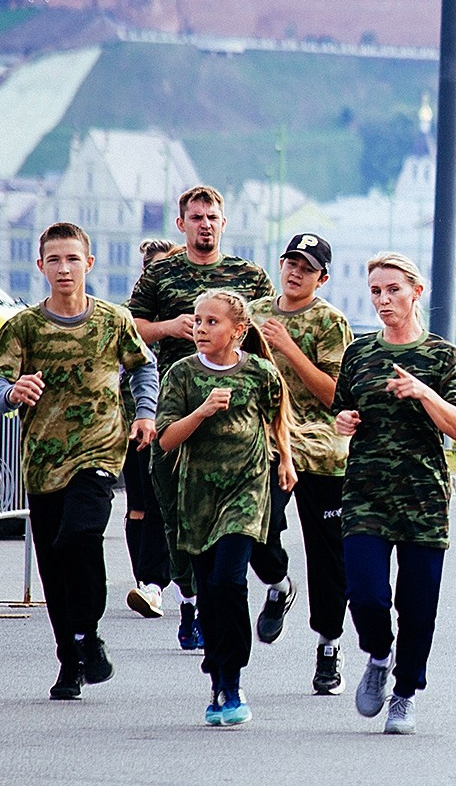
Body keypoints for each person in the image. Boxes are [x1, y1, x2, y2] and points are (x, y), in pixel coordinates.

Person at [0, 222, 157, 701]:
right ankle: (74, 654)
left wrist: (144, 413)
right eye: (54, 260)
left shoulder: (113, 321)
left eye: (73, 259)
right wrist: (12, 392)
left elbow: (144, 367)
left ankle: (86, 630)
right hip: (42, 462)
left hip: (99, 451)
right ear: (40, 267)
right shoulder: (23, 327)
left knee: (81, 533)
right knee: (56, 562)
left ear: (89, 264)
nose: (64, 268)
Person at [332, 253, 456, 736]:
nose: (383, 299)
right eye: (376, 291)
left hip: (423, 498)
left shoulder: (441, 357)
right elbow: (343, 411)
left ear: (416, 292)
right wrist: (344, 421)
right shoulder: (359, 353)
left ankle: (404, 693)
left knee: (418, 608)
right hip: (366, 495)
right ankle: (377, 654)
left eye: (393, 289)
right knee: (366, 595)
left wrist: (423, 392)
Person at [128, 186, 274, 651]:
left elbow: (269, 331)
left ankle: (220, 601)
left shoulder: (247, 276)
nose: (204, 224)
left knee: (229, 524)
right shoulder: (163, 273)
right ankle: (185, 598)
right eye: (196, 217)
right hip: (174, 400)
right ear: (181, 224)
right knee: (173, 513)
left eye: (212, 216)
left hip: (237, 410)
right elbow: (129, 330)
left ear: (224, 222)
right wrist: (170, 327)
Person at [156, 291, 295, 727]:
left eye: (212, 322)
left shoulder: (260, 374)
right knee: (210, 591)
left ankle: (232, 681)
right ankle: (217, 676)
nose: (200, 328)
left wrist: (286, 459)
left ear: (238, 331)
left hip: (246, 492)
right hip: (197, 497)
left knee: (230, 581)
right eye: (197, 320)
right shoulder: (182, 374)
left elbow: (277, 419)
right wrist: (201, 411)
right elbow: (165, 440)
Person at [249, 232, 353, 694]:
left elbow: (336, 394)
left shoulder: (330, 322)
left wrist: (290, 347)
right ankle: (278, 583)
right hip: (268, 443)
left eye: (307, 267)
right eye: (291, 262)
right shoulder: (253, 315)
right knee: (251, 528)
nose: (295, 272)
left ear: (322, 278)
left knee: (329, 556)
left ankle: (329, 645)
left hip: (322, 449)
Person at [123, 238, 182, 621]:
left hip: (175, 421)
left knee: (166, 502)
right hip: (135, 419)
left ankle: (160, 581)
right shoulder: (138, 319)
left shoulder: (188, 315)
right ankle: (147, 581)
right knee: (139, 506)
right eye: (151, 269)